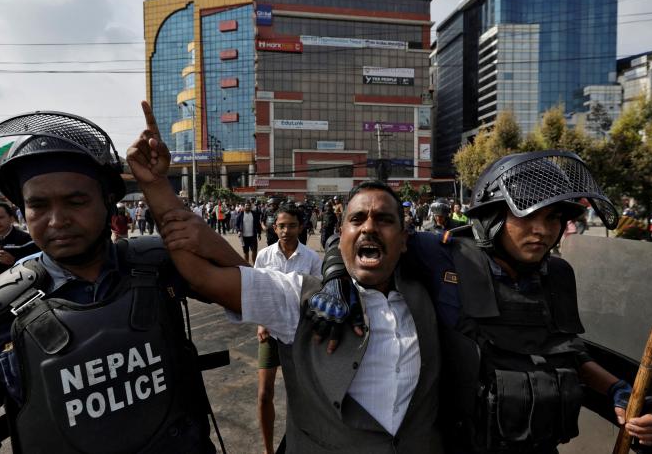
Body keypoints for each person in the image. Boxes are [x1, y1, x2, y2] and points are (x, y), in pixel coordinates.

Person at [129, 103, 443, 453]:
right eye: (358, 219)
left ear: (404, 240)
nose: (369, 226)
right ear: (341, 236)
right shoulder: (298, 299)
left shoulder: (436, 296)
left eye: (384, 219)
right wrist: (156, 185)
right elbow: (201, 276)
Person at [313, 151, 652, 454]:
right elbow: (359, 237)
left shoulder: (557, 275)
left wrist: (618, 394)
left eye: (554, 219)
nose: (544, 231)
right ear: (492, 216)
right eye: (529, 216)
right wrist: (335, 279)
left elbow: (567, 354)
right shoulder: (443, 255)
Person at [0, 110, 225, 454]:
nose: (57, 220)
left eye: (76, 201)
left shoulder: (157, 265)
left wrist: (158, 187)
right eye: (38, 205)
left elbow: (247, 284)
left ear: (107, 202)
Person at [253, 202, 322, 454]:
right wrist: (261, 322)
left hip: (300, 334)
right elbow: (258, 292)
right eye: (281, 225)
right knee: (264, 394)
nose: (286, 230)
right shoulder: (264, 256)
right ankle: (269, 449)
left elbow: (318, 298)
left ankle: (301, 444)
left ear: (301, 226)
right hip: (271, 332)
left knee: (301, 396)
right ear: (274, 227)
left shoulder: (312, 258)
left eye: (292, 225)